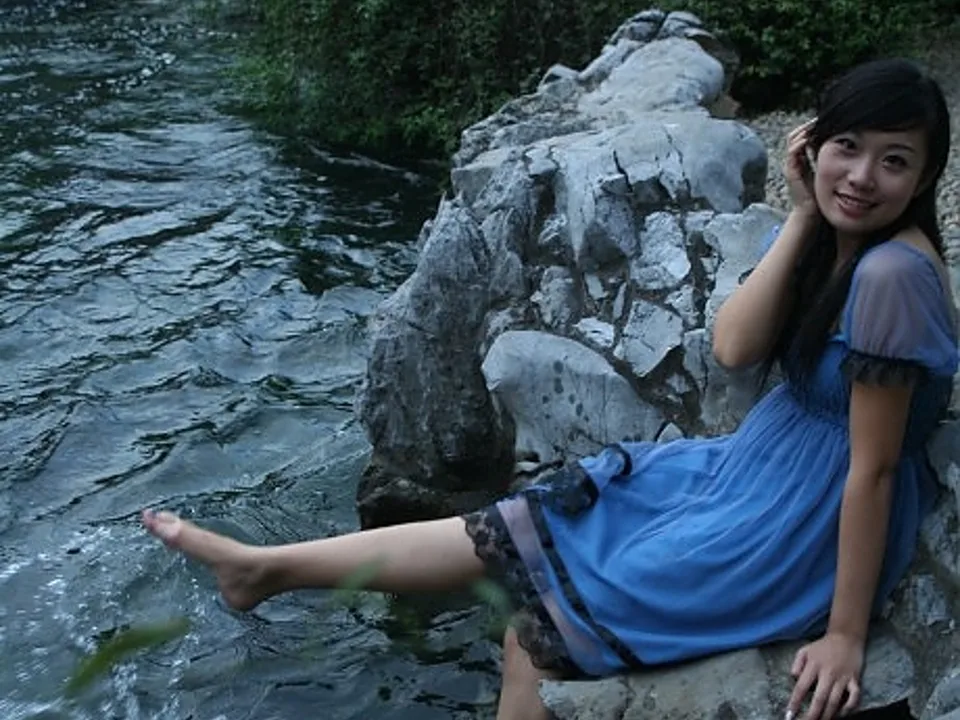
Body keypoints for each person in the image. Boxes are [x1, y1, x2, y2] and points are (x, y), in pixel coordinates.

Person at [142, 57, 958, 720]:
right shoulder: (842, 239)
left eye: (894, 161)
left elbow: (874, 468)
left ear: (925, 177)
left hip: (799, 519)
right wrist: (805, 212)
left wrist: (845, 634)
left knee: (539, 630)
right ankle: (268, 567)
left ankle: (271, 570)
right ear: (813, 143)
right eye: (846, 146)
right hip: (751, 472)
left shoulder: (891, 274)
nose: (862, 175)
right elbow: (734, 346)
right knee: (525, 531)